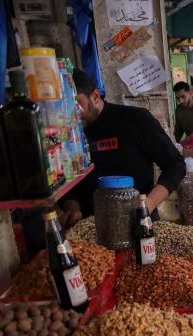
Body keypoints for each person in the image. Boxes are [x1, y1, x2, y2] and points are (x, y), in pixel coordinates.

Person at [60, 69, 186, 224]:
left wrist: (148, 204)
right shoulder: (65, 135)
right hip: (90, 226)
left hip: (139, 221)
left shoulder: (136, 119)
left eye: (77, 104)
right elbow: (66, 180)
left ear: (95, 96)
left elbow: (175, 165)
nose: (72, 115)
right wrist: (72, 206)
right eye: (64, 108)